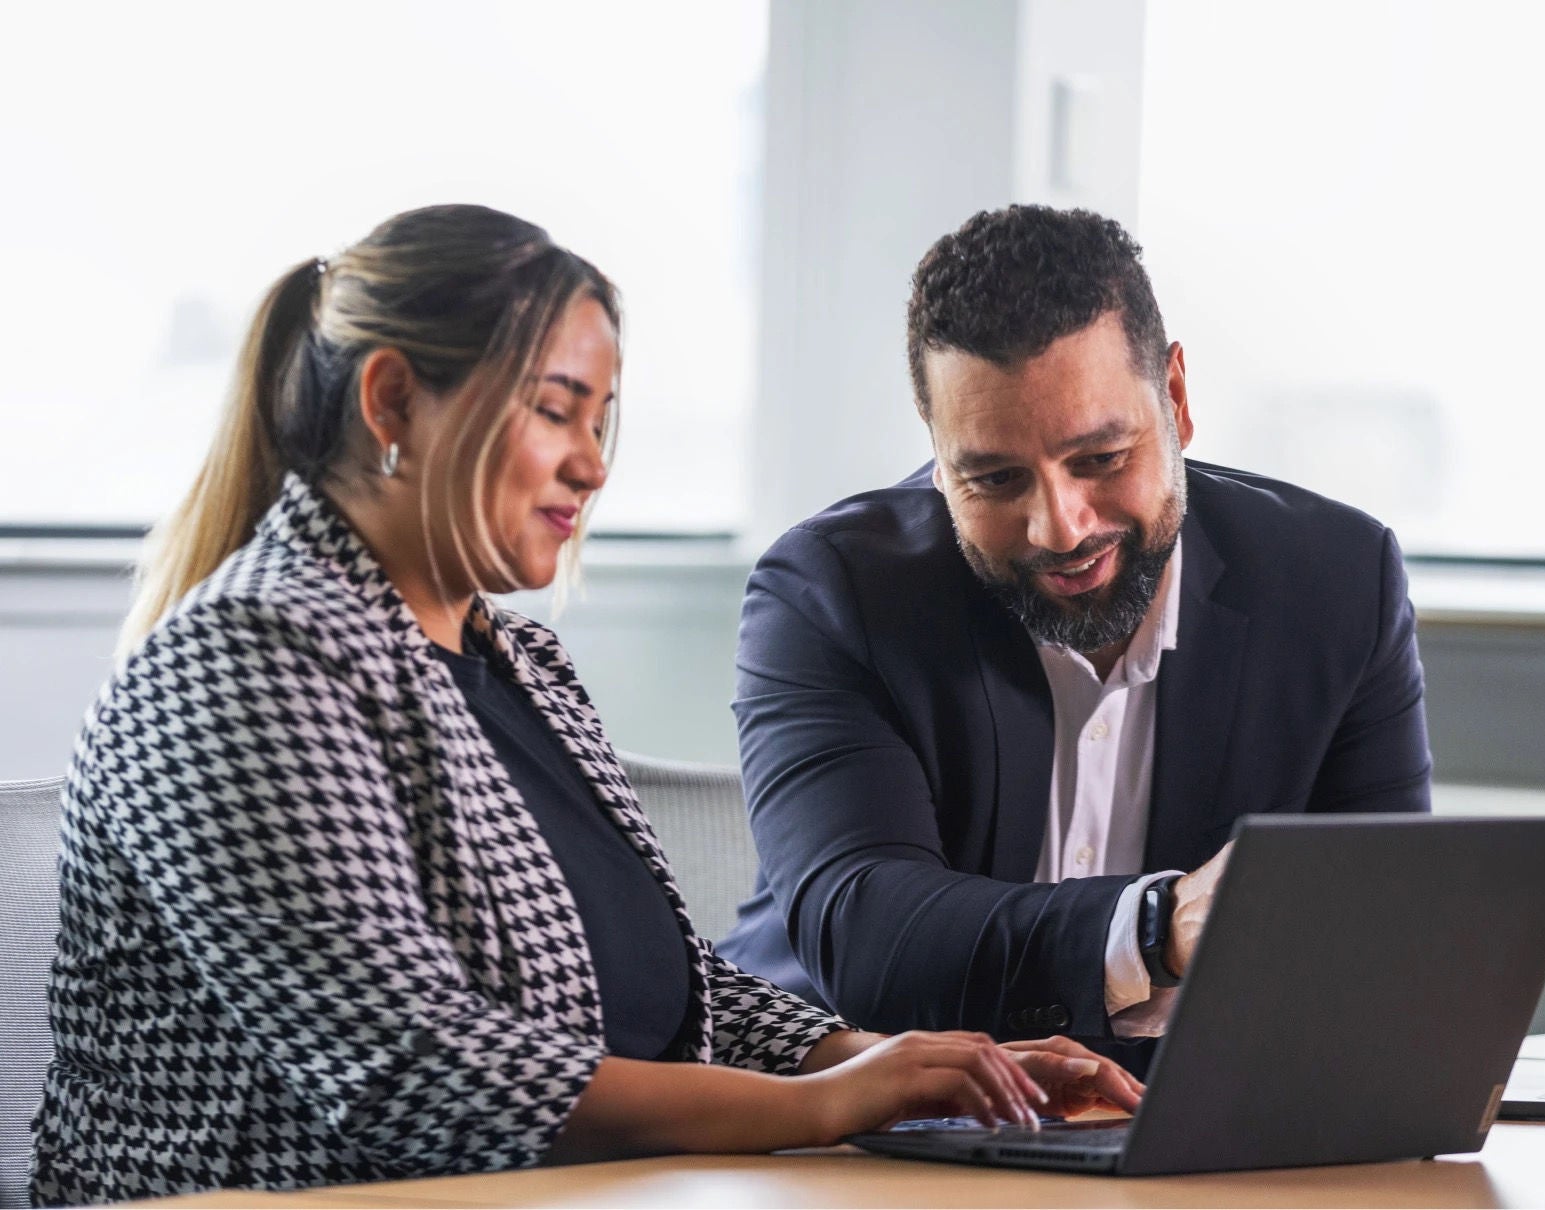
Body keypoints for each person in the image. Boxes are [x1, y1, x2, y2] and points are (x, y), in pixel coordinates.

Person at [30, 204, 1140, 1207]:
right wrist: (828, 1106)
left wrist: (903, 1062)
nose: (593, 465)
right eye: (557, 411)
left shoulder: (519, 664)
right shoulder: (247, 658)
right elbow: (418, 1075)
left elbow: (674, 988)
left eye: (602, 419)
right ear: (390, 401)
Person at [718, 204, 1433, 1072]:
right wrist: (1154, 927)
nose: (1059, 526)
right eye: (994, 478)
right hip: (843, 1120)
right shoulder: (831, 594)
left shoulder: (1336, 581)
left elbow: (1387, 932)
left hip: (1175, 1131)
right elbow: (874, 939)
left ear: (1174, 397)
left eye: (1099, 459)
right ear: (939, 456)